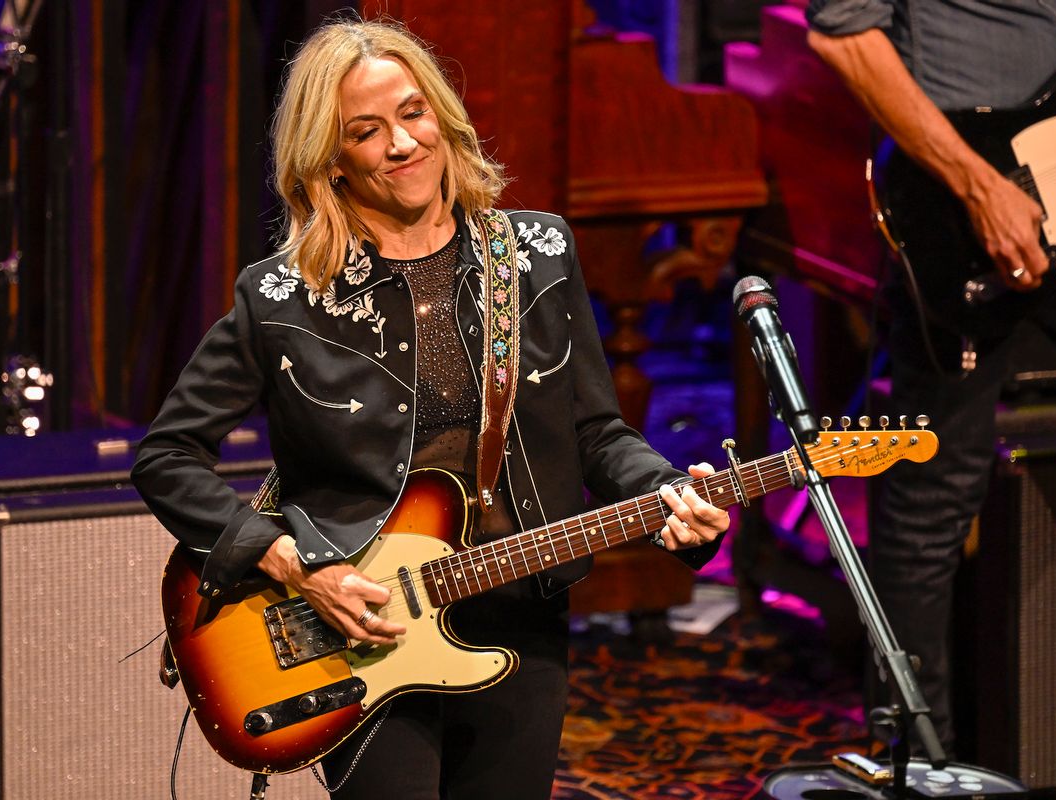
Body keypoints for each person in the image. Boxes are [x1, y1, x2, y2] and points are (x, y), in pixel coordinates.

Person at [131, 18, 729, 799]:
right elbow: (166, 457)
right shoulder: (281, 299)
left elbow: (593, 430)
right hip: (357, 632)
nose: (403, 144)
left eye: (414, 113)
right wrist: (292, 562)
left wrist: (663, 495)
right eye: (367, 131)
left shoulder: (537, 255)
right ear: (330, 160)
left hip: (519, 611)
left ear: (444, 115)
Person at [805, 0, 1056, 756]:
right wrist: (979, 188)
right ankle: (916, 761)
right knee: (934, 496)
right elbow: (843, 34)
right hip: (970, 201)